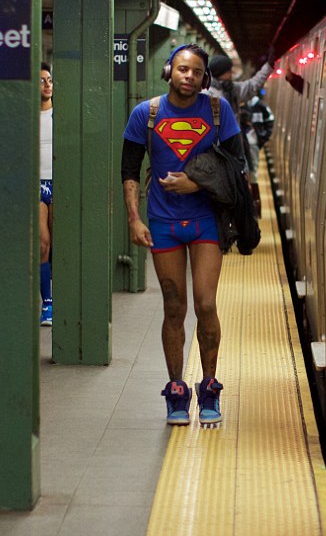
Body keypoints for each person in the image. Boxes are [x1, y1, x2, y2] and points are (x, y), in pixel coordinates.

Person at [121, 44, 244, 426]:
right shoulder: (147, 113)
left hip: (206, 219)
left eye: (195, 71)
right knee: (174, 307)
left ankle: (209, 386)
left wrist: (196, 182)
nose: (188, 76)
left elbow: (237, 164)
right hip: (162, 221)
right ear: (168, 72)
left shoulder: (218, 111)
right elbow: (129, 168)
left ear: (204, 77)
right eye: (181, 69)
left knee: (206, 304)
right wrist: (133, 219)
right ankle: (177, 390)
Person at [206, 51, 273, 114]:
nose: (231, 73)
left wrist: (268, 66)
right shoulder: (206, 94)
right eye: (229, 71)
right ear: (220, 72)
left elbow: (252, 85)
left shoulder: (232, 89)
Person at [38, 62, 54, 326]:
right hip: (36, 184)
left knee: (58, 247)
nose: (48, 84)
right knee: (43, 243)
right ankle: (47, 304)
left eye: (50, 79)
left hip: (59, 182)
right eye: (41, 80)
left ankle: (59, 297)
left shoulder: (59, 115)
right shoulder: (25, 116)